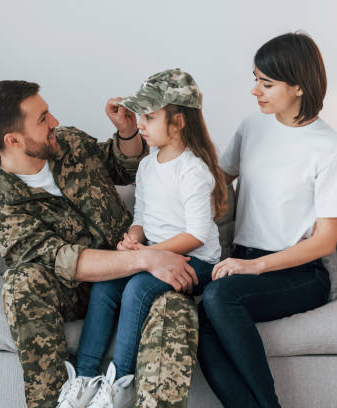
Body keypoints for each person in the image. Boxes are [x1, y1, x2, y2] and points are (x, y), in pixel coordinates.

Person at [0, 80, 199, 408]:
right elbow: (64, 260)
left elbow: (125, 167)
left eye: (48, 113)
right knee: (20, 284)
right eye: (42, 119)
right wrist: (149, 258)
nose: (54, 122)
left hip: (134, 276)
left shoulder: (69, 143)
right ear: (13, 139)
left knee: (176, 307)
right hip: (77, 290)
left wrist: (126, 133)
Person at [197, 32, 337, 408]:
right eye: (255, 79)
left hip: (300, 272)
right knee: (199, 319)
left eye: (266, 83)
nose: (255, 90)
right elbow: (216, 181)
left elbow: (325, 240)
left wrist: (253, 267)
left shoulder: (330, 148)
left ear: (299, 86)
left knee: (218, 297)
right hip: (244, 258)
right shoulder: (253, 127)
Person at [61, 68, 227, 408]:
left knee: (136, 288)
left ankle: (119, 384)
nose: (141, 125)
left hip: (197, 262)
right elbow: (142, 217)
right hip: (156, 254)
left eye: (150, 117)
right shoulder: (149, 165)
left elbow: (196, 234)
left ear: (178, 122)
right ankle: (85, 379)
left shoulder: (193, 169)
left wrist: (145, 255)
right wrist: (133, 241)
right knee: (106, 286)